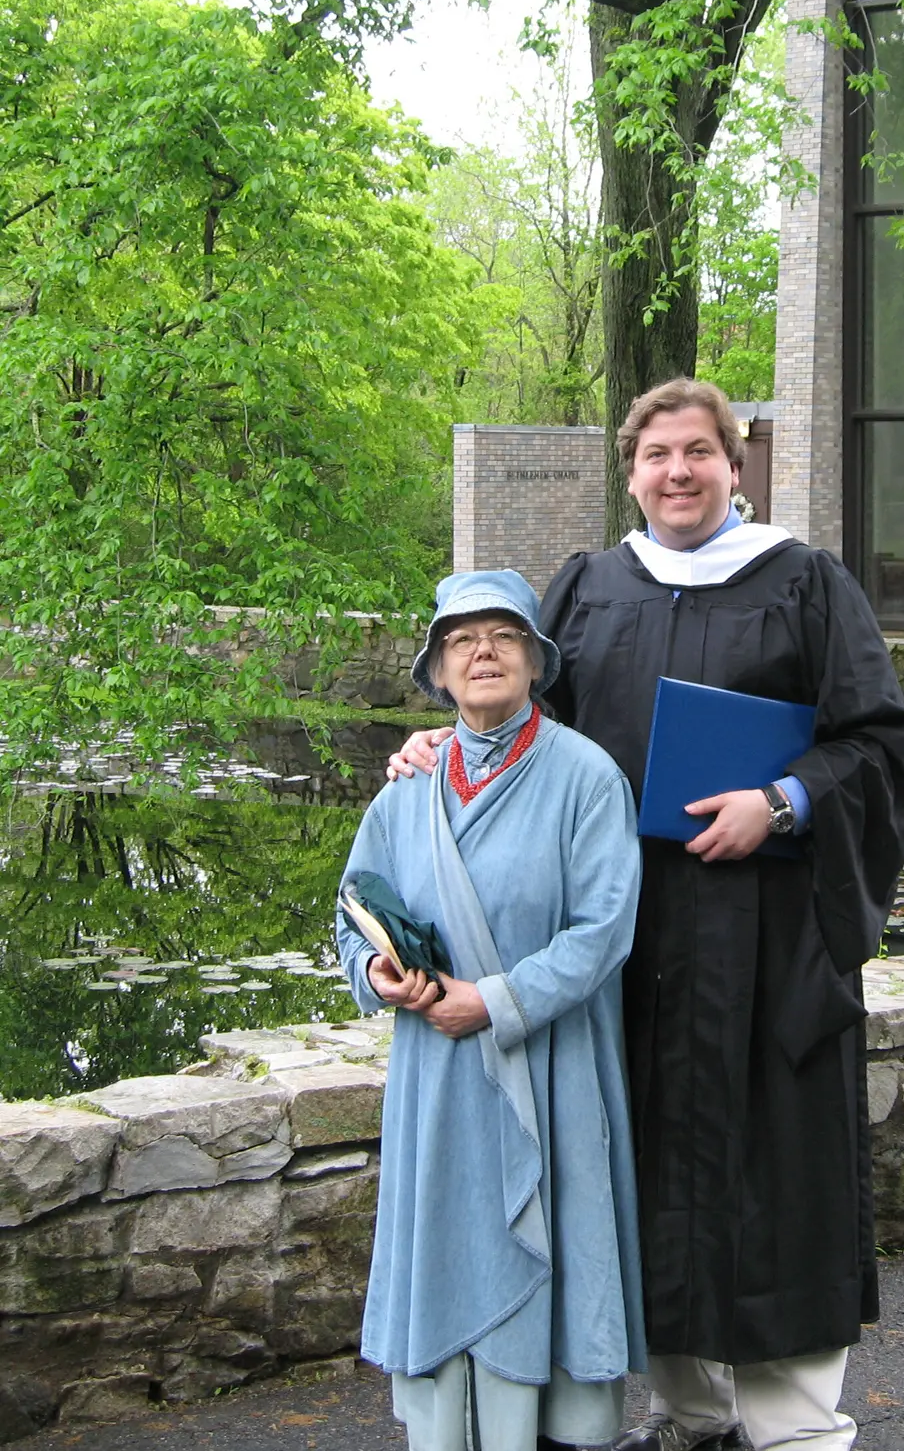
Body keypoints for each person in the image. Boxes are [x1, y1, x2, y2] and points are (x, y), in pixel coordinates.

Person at [391, 382, 904, 1451]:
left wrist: (782, 802)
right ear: (630, 473)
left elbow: (883, 744)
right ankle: (690, 1412)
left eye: (699, 452)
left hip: (770, 945)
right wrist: (443, 744)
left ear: (735, 465)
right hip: (629, 948)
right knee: (643, 1171)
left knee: (776, 1173)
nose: (678, 472)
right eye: (656, 455)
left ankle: (797, 1429)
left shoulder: (806, 584)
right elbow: (522, 722)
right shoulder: (591, 590)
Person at [339, 567, 646, 1451]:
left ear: (536, 661)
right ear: (438, 671)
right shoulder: (407, 789)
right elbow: (352, 907)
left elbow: (604, 930)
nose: (483, 653)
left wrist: (498, 1001)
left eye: (504, 636)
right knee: (448, 1251)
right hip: (437, 1080)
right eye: (462, 640)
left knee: (551, 1245)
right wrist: (377, 971)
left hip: (548, 1068)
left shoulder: (587, 778)